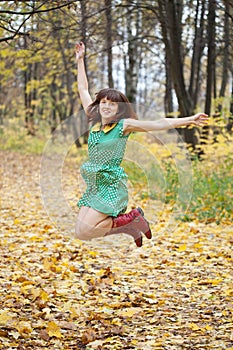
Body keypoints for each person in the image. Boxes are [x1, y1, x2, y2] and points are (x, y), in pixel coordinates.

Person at [74, 41, 208, 247]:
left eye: (112, 104)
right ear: (99, 106)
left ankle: (132, 218)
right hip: (94, 185)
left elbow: (158, 124)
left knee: (87, 229)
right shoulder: (94, 123)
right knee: (81, 233)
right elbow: (83, 89)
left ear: (119, 109)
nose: (107, 107)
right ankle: (129, 225)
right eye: (103, 103)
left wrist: (189, 119)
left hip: (110, 186)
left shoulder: (123, 125)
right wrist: (80, 60)